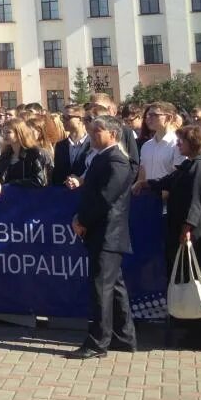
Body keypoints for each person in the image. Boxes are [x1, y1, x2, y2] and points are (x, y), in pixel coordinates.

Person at [138, 124, 201, 349]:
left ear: (193, 142)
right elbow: (169, 181)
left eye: (181, 141)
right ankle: (191, 330)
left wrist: (188, 227)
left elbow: (198, 201)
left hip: (197, 233)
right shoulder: (188, 165)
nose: (178, 145)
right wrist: (147, 183)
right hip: (182, 229)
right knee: (187, 280)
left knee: (200, 281)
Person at [69, 116, 138, 359]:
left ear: (113, 134)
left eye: (98, 131)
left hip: (108, 232)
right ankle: (124, 337)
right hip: (101, 231)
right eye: (91, 131)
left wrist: (83, 220)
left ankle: (98, 342)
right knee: (114, 286)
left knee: (102, 288)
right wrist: (80, 216)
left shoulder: (117, 161)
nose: (92, 135)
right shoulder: (101, 158)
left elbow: (105, 198)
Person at [0, 119, 50, 196]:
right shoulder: (4, 156)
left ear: (19, 133)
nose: (4, 135)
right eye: (3, 132)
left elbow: (39, 180)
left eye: (8, 132)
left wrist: (12, 183)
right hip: (8, 200)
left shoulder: (35, 153)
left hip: (31, 199)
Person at [52, 113, 89, 186]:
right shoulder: (60, 145)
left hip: (85, 191)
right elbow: (57, 173)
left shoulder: (92, 144)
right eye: (63, 117)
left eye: (68, 117)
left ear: (80, 119)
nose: (63, 120)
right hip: (64, 192)